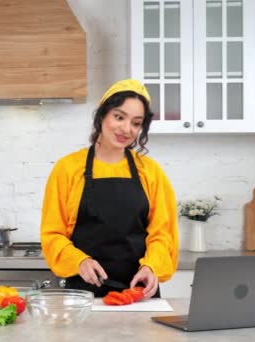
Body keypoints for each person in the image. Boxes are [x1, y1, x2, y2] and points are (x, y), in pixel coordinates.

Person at [40, 79, 178, 298]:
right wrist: (79, 261)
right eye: (119, 117)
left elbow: (163, 234)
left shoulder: (150, 172)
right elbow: (52, 233)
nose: (126, 129)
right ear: (102, 115)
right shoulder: (67, 168)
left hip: (138, 293)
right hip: (83, 294)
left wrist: (150, 266)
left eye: (136, 123)